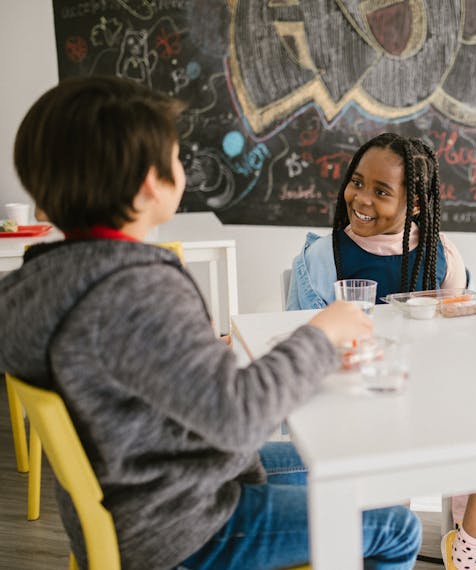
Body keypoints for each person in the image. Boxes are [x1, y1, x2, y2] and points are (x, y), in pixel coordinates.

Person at [0, 76, 421, 570]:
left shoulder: (48, 278)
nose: (183, 168)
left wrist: (221, 354)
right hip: (184, 525)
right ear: (149, 184)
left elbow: (126, 372)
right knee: (395, 525)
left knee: (340, 459)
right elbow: (238, 418)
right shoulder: (135, 289)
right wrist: (321, 334)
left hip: (146, 491)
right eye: (176, 159)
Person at [286, 132, 467, 310]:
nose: (362, 199)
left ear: (415, 204)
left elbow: (456, 328)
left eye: (381, 192)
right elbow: (304, 334)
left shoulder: (441, 254)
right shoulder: (323, 257)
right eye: (357, 182)